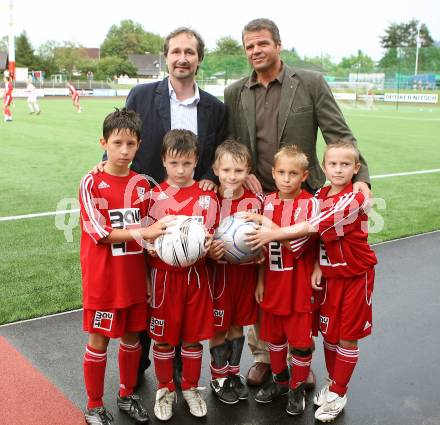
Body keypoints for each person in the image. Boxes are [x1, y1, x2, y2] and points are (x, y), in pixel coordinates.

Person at [224, 18, 372, 386]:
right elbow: (233, 143)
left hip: (305, 201)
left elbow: (341, 136)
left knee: (301, 280)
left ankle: (299, 358)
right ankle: (265, 357)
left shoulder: (309, 83)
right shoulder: (235, 91)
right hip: (260, 199)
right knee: (265, 277)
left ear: (278, 44)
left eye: (262, 43)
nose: (256, 51)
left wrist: (362, 179)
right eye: (249, 46)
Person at [104, 27, 226, 381]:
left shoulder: (215, 108)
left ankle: (180, 371)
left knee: (184, 284)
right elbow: (123, 140)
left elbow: (216, 156)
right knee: (150, 285)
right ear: (166, 56)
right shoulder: (142, 95)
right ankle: (146, 365)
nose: (182, 58)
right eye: (176, 51)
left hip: (191, 212)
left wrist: (213, 180)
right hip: (148, 205)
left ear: (199, 58)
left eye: (190, 51)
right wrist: (103, 164)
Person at [246, 140, 378, 422]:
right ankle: (331, 384)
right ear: (324, 166)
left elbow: (311, 228)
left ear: (356, 168)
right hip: (330, 278)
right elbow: (318, 239)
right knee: (330, 335)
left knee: (346, 337)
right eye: (333, 164)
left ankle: (339, 392)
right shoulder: (321, 194)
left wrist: (268, 228)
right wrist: (320, 262)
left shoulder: (353, 198)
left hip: (354, 276)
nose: (338, 169)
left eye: (345, 165)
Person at [78, 108, 172, 425]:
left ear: (139, 144)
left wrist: (147, 275)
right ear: (103, 142)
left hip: (133, 279)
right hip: (104, 280)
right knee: (99, 340)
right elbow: (99, 232)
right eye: (117, 142)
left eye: (130, 144)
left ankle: (126, 395)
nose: (124, 150)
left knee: (133, 338)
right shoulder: (91, 182)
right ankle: (93, 406)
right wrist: (142, 232)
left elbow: (153, 231)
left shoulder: (142, 185)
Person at [147, 129, 218, 421]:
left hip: (197, 279)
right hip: (163, 280)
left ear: (196, 162)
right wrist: (150, 247)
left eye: (187, 164)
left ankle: (189, 388)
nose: (180, 170)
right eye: (174, 163)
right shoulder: (152, 197)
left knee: (191, 340)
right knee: (163, 340)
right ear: (163, 160)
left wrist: (210, 245)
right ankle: (165, 389)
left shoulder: (207, 197)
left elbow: (212, 236)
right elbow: (144, 237)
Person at [245, 146, 319, 415]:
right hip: (273, 284)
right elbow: (264, 249)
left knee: (299, 342)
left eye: (293, 173)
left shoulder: (310, 204)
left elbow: (296, 244)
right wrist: (261, 281)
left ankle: (297, 388)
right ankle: (281, 382)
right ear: (273, 174)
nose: (287, 178)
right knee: (274, 340)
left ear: (304, 175)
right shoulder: (268, 202)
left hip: (298, 286)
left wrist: (267, 224)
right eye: (282, 173)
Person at [207, 140, 262, 405]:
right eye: (226, 170)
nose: (232, 176)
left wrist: (260, 257)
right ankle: (218, 377)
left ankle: (233, 373)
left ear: (248, 171)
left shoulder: (255, 202)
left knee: (238, 325)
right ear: (215, 169)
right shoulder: (207, 200)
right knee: (219, 327)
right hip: (218, 278)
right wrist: (210, 252)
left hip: (245, 276)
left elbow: (264, 240)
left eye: (239, 171)